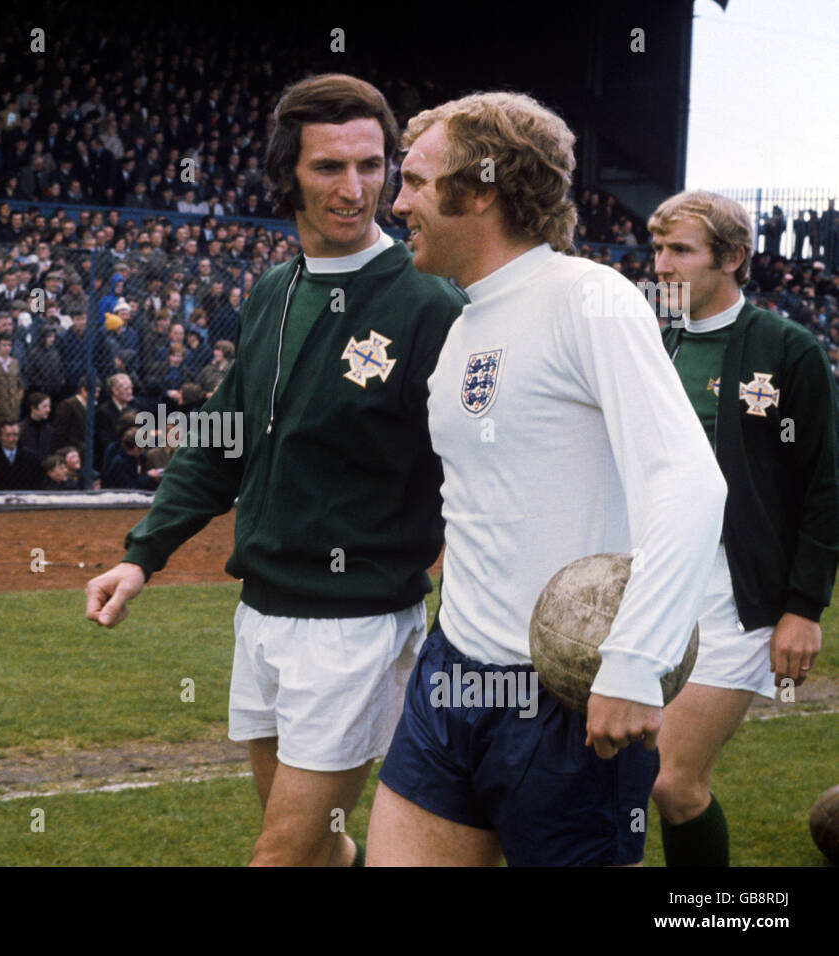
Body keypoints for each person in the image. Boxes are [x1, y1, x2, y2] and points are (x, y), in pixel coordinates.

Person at [85, 74, 466, 867]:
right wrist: (142, 554)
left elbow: (479, 470)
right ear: (285, 174)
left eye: (371, 165)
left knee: (280, 857)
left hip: (355, 624)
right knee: (323, 851)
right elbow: (219, 441)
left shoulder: (430, 305)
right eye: (329, 167)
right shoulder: (271, 291)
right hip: (261, 612)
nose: (354, 188)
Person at [365, 92, 726, 867]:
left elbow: (690, 483)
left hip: (567, 704)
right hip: (453, 675)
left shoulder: (589, 298)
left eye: (417, 182)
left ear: (483, 189)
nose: (396, 204)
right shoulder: (464, 325)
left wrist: (634, 661)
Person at [648, 191, 839, 866]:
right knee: (613, 770)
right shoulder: (650, 340)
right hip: (647, 582)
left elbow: (825, 486)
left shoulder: (788, 349)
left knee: (673, 782)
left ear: (732, 258)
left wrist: (803, 608)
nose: (661, 264)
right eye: (658, 248)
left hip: (736, 597)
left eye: (681, 250)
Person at [0, 421, 43, 491]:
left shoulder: (31, 457)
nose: (11, 439)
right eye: (8, 435)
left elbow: (38, 482)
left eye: (15, 435)